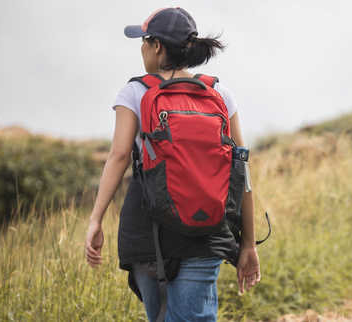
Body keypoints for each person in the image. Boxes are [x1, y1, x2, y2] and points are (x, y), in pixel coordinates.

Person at [84, 7, 261, 321]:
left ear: (156, 46)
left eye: (143, 41)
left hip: (146, 233)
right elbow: (240, 171)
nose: (141, 48)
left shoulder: (135, 92)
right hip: (205, 232)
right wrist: (248, 243)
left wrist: (96, 219)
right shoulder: (220, 93)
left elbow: (119, 157)